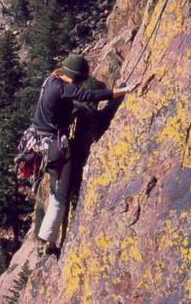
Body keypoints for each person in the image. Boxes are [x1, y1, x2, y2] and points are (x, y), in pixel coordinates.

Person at [33, 53, 138, 255]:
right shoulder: (64, 88)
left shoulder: (51, 80)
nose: (80, 86)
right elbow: (89, 96)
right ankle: (49, 242)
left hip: (39, 142)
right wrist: (122, 91)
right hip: (55, 146)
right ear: (75, 79)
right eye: (80, 82)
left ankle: (45, 235)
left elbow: (65, 103)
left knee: (55, 188)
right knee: (60, 196)